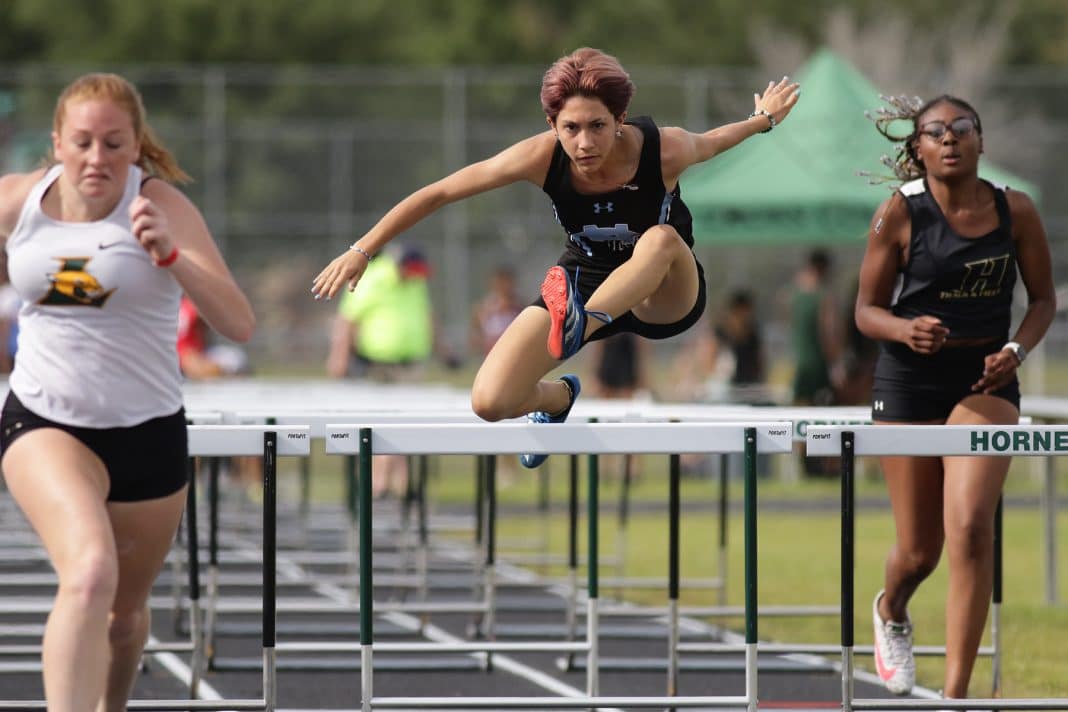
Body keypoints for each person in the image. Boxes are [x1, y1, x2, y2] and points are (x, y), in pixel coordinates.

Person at [312, 47, 800, 468]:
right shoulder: (539, 155)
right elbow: (441, 192)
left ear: (619, 121)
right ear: (552, 125)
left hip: (662, 292)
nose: (585, 143)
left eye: (597, 127)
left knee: (660, 239)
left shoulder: (664, 149)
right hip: (584, 277)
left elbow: (718, 139)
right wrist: (363, 249)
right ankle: (559, 394)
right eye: (571, 128)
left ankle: (576, 326)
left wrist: (765, 119)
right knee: (489, 400)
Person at [0, 73, 254, 712]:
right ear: (56, 142)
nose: (96, 159)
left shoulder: (160, 204)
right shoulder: (16, 202)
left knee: (122, 615)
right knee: (87, 573)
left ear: (136, 144)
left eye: (114, 144)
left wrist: (171, 256)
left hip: (147, 432)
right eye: (82, 142)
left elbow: (238, 322)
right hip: (44, 422)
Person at [855, 94, 1055, 701]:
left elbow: (1043, 301)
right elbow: (864, 310)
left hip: (984, 381)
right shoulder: (898, 213)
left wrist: (1016, 351)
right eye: (935, 132)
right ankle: (892, 610)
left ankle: (957, 695)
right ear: (917, 148)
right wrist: (903, 328)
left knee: (970, 526)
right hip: (909, 380)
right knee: (920, 551)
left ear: (980, 141)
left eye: (960, 129)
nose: (949, 140)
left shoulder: (1014, 210)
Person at [325, 244, 435, 497]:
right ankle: (378, 482)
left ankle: (398, 483)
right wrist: (339, 357)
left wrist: (443, 349)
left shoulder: (415, 282)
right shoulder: (373, 278)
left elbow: (426, 315)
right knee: (377, 425)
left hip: (409, 364)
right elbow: (349, 319)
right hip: (377, 365)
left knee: (405, 424)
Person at [790, 248, 840, 407]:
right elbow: (828, 333)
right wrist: (836, 363)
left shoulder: (795, 294)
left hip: (800, 363)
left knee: (800, 408)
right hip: (818, 365)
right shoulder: (824, 297)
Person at [177, 294, 250, 379]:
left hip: (181, 354)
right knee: (234, 358)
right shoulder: (191, 306)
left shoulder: (174, 307)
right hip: (188, 354)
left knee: (234, 357)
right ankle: (229, 376)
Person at [469, 264, 524, 358]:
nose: (505, 286)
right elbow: (475, 335)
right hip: (492, 352)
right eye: (501, 282)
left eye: (507, 282)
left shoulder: (520, 307)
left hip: (514, 352)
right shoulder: (485, 307)